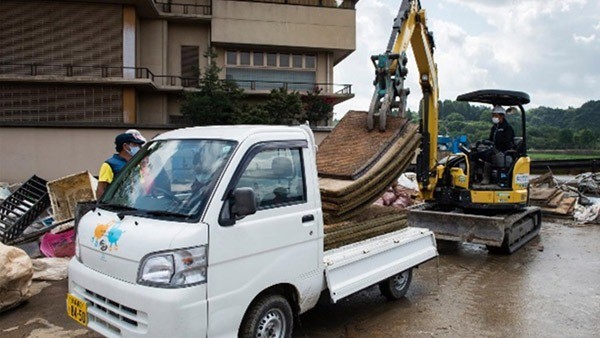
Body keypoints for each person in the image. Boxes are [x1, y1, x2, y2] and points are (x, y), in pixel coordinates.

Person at [96, 133, 145, 199]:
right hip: (117, 205)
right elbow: (101, 189)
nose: (138, 147)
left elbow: (141, 186)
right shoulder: (109, 165)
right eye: (135, 144)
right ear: (125, 146)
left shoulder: (136, 164)